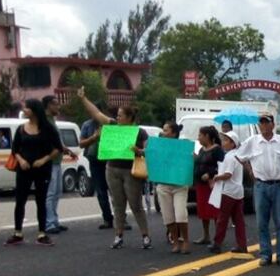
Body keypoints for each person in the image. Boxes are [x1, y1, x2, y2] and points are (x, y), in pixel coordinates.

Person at [79, 90, 151, 249]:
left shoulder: (139, 132)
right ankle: (118, 235)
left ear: (129, 118)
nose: (117, 118)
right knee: (118, 204)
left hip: (131, 171)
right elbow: (96, 113)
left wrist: (139, 151)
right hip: (112, 169)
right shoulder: (112, 126)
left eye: (120, 115)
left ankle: (145, 236)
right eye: (117, 115)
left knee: (135, 204)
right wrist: (83, 98)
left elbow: (148, 151)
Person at [235, 112, 280, 266]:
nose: (264, 126)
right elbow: (239, 156)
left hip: (278, 185)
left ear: (273, 124)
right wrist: (250, 170)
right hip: (261, 186)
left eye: (267, 123)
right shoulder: (252, 141)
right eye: (262, 123)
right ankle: (265, 254)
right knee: (262, 223)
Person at [5, 99, 63, 246]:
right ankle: (18, 233)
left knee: (41, 200)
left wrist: (44, 160)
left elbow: (58, 148)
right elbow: (15, 149)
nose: (24, 111)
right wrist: (21, 160)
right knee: (20, 200)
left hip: (42, 170)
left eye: (27, 108)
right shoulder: (21, 129)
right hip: (24, 170)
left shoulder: (47, 128)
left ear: (34, 110)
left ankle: (42, 233)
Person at [154, 121, 192, 254]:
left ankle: (185, 240)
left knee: (181, 214)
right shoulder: (158, 146)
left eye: (166, 130)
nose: (162, 133)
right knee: (168, 216)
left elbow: (190, 160)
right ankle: (176, 241)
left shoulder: (183, 146)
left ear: (174, 133)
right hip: (164, 184)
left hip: (179, 185)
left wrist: (192, 157)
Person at [211, 130, 248, 254]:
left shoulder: (230, 157)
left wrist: (217, 177)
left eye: (226, 140)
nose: (223, 142)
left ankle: (217, 244)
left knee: (222, 218)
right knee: (238, 220)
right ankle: (242, 245)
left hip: (229, 191)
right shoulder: (238, 156)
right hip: (238, 191)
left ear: (233, 144)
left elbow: (228, 174)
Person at [79, 110, 115, 229]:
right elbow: (81, 143)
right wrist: (94, 137)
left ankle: (121, 219)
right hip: (95, 160)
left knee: (116, 191)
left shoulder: (110, 123)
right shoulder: (87, 125)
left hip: (110, 160)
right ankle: (107, 218)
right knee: (100, 191)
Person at [42, 95, 70, 234]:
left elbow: (56, 139)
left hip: (57, 161)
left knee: (57, 192)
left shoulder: (52, 120)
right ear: (48, 105)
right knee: (50, 193)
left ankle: (54, 220)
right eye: (55, 104)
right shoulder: (44, 122)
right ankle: (49, 223)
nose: (58, 107)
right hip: (50, 162)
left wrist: (64, 148)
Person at [193, 126, 225, 244]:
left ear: (207, 136)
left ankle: (218, 237)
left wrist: (210, 174)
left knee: (215, 210)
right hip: (201, 184)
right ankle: (206, 235)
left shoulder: (217, 150)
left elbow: (222, 166)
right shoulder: (202, 150)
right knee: (203, 211)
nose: (198, 138)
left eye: (200, 135)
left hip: (212, 185)